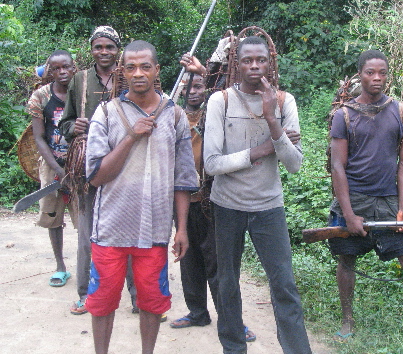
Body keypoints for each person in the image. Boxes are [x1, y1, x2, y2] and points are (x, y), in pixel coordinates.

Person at [84, 40, 197, 354]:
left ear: (157, 70)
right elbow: (96, 176)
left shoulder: (173, 115)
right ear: (121, 72)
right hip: (110, 229)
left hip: (155, 232)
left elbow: (183, 179)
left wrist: (182, 229)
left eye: (145, 66)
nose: (138, 73)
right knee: (102, 302)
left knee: (151, 302)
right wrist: (131, 136)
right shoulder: (106, 113)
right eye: (130, 67)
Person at [203, 36, 312, 354]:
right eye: (246, 60)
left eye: (260, 60)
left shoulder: (283, 102)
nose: (254, 66)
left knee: (284, 285)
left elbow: (294, 164)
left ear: (271, 62)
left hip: (268, 206)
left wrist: (272, 122)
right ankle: (233, 348)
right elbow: (211, 164)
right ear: (235, 63)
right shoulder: (219, 101)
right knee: (228, 282)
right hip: (227, 205)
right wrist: (259, 151)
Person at [329, 49, 403, 340]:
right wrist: (348, 213)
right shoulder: (344, 116)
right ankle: (347, 320)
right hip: (354, 198)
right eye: (370, 72)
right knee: (347, 260)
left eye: (382, 72)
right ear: (360, 75)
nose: (377, 78)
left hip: (388, 200)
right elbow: (338, 166)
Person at [169, 57, 256, 342]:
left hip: (211, 199)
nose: (193, 91)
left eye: (199, 86)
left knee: (218, 263)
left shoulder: (214, 112)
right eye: (189, 86)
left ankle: (232, 321)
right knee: (188, 257)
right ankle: (197, 312)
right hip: (183, 199)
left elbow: (228, 90)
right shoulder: (174, 115)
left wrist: (202, 71)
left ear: (206, 88)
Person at [58, 26, 138, 316]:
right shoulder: (79, 80)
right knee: (88, 235)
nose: (104, 52)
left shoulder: (130, 75)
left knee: (129, 233)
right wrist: (72, 128)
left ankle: (136, 297)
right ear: (91, 49)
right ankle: (86, 295)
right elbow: (64, 124)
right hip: (88, 170)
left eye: (109, 47)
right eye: (98, 47)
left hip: (126, 168)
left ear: (118, 50)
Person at [26, 50, 78, 287]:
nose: (62, 72)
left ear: (73, 67)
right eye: (56, 68)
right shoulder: (41, 97)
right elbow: (39, 137)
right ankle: (60, 266)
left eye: (66, 67)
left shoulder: (82, 92)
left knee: (85, 217)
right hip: (52, 163)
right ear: (50, 71)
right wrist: (57, 168)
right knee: (52, 216)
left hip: (81, 164)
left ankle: (90, 265)